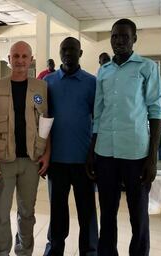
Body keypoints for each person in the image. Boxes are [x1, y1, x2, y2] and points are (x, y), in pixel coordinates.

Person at [87, 18, 161, 256]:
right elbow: (98, 114)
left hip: (136, 154)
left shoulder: (147, 67)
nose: (119, 41)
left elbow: (156, 113)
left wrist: (152, 159)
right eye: (114, 36)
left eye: (124, 36)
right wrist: (92, 152)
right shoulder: (104, 71)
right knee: (107, 212)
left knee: (138, 214)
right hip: (106, 153)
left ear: (134, 39)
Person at [0, 41, 50, 256]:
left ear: (31, 60)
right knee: (1, 214)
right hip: (3, 162)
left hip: (31, 162)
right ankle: (1, 253)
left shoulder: (41, 88)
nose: (20, 60)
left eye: (24, 56)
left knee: (27, 213)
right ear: (9, 60)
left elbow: (48, 122)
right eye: (16, 56)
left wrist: (47, 154)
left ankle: (24, 252)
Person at [43, 37, 98, 256]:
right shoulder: (48, 81)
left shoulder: (91, 82)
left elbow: (99, 119)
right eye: (64, 50)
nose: (68, 53)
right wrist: (43, 155)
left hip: (84, 160)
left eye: (72, 50)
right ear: (59, 52)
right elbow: (44, 119)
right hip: (56, 160)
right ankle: (54, 250)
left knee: (87, 213)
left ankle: (90, 251)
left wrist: (94, 153)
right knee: (57, 212)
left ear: (80, 53)